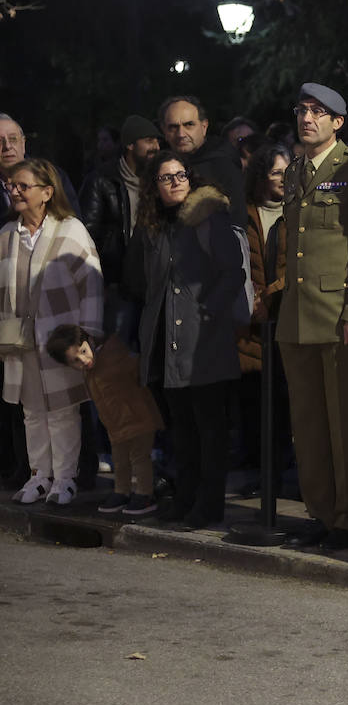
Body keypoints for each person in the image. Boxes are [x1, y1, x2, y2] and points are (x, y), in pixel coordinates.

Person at [276, 83, 348, 551]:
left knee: (345, 422)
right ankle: (319, 512)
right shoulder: (297, 168)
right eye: (302, 111)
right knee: (309, 422)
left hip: (338, 314)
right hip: (297, 315)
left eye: (318, 112)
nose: (307, 119)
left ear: (339, 122)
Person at [135, 152, 243, 528]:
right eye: (166, 178)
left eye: (181, 174)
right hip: (168, 341)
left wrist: (207, 311)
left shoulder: (209, 218)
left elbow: (234, 273)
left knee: (209, 428)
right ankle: (184, 498)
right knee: (182, 427)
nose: (176, 182)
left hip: (204, 341)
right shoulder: (155, 226)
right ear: (155, 187)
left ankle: (208, 504)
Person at [2, 158, 103, 505]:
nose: (14, 191)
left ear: (47, 192)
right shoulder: (6, 235)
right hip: (19, 339)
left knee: (62, 409)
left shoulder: (70, 229)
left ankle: (65, 478)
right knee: (31, 412)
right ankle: (39, 475)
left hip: (61, 338)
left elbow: (92, 284)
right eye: (11, 185)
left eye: (22, 186)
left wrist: (86, 335)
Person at [45, 324, 163, 516]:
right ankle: (122, 491)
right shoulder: (93, 367)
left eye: (83, 352)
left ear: (89, 340)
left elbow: (139, 371)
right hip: (115, 424)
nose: (83, 360)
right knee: (120, 459)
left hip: (138, 419)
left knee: (139, 458)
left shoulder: (116, 353)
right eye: (75, 360)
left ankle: (144, 493)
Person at [237, 142, 291, 494]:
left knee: (286, 402)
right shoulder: (244, 214)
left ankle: (287, 475)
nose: (283, 179)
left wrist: (271, 293)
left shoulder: (298, 212)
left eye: (288, 172)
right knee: (256, 405)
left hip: (286, 317)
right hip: (251, 323)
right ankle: (263, 477)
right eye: (276, 172)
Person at [80, 115, 160, 343]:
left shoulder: (158, 179)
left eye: (156, 140)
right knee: (117, 352)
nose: (155, 146)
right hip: (118, 284)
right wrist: (100, 282)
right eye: (148, 140)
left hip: (151, 281)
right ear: (130, 145)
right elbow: (87, 235)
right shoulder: (102, 180)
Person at [159, 95, 247, 227]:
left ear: (204, 126)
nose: (181, 134)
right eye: (173, 127)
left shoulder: (223, 164)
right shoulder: (159, 166)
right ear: (164, 131)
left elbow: (238, 220)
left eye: (189, 125)